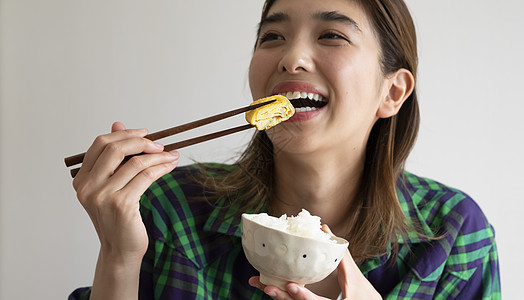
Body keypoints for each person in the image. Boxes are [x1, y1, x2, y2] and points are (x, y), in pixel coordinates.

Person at [69, 0, 500, 299]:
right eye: (272, 36)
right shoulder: (172, 208)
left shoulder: (452, 235)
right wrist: (119, 257)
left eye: (331, 35)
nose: (291, 58)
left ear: (391, 92)